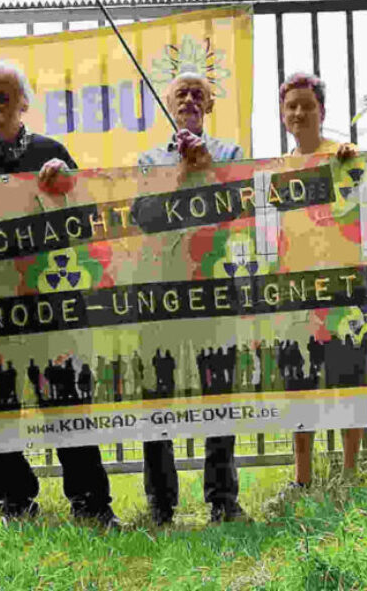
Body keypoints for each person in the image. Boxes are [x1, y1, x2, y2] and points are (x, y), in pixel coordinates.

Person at [0, 62, 120, 528]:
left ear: (23, 104)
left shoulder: (51, 153)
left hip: (50, 304)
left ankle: (92, 504)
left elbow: (83, 223)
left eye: (0, 98)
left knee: (66, 400)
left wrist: (65, 187)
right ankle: (14, 506)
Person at [137, 72, 247, 525]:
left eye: (198, 94)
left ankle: (222, 499)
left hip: (215, 284)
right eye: (181, 93)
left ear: (210, 105)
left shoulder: (230, 154)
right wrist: (183, 174)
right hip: (160, 286)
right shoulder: (148, 160)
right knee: (157, 391)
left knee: (218, 389)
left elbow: (237, 207)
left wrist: (209, 170)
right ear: (168, 102)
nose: (189, 100)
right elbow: (145, 217)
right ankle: (161, 503)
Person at [270, 73, 361, 502]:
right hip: (296, 293)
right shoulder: (277, 169)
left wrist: (354, 163)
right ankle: (302, 480)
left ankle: (350, 475)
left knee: (347, 380)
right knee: (298, 384)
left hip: (341, 289)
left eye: (307, 105)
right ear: (283, 114)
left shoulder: (344, 155)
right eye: (291, 106)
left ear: (322, 111)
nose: (299, 113)